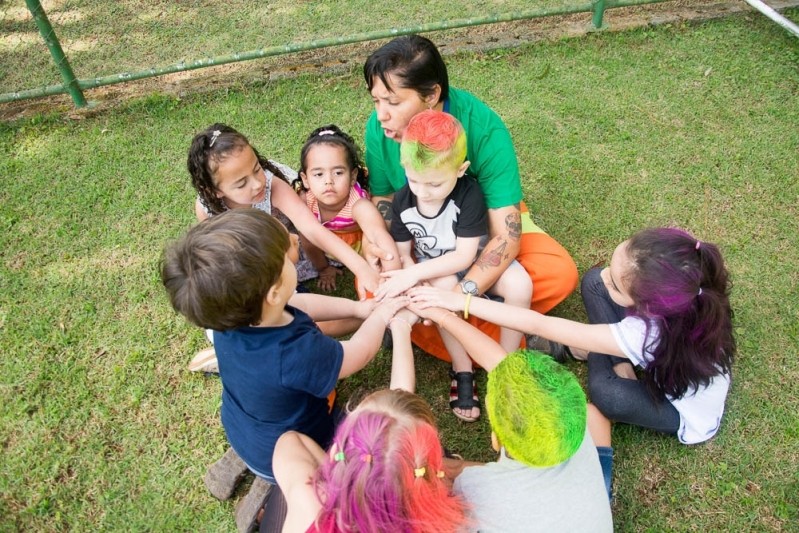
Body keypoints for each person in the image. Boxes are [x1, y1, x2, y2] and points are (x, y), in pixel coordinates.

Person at [160, 209, 407, 532]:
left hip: (241, 425)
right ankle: (266, 494)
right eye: (285, 252)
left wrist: (358, 309)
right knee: (338, 431)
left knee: (261, 441)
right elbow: (355, 355)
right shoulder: (294, 353)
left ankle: (246, 464)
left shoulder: (230, 318)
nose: (294, 239)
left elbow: (300, 306)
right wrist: (383, 313)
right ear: (274, 292)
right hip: (294, 440)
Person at [409, 227, 736, 447]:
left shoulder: (646, 334)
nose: (607, 274)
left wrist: (462, 301)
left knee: (608, 394)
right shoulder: (693, 288)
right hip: (654, 349)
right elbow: (603, 282)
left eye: (618, 285)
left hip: (677, 410)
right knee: (593, 282)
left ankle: (607, 358)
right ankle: (612, 356)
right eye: (615, 264)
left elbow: (539, 325)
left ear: (648, 306)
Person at [361, 34, 579, 362]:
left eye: (392, 103)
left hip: (481, 235)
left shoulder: (484, 128)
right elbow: (385, 198)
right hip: (421, 246)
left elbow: (506, 234)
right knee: (370, 286)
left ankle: (429, 326)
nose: (381, 116)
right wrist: (386, 250)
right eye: (376, 102)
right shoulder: (379, 130)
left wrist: (460, 296)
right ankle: (514, 334)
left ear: (432, 94)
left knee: (558, 272)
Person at [375, 110, 531, 422]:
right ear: (405, 168)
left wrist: (412, 273)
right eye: (414, 180)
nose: (423, 192)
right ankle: (462, 369)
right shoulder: (404, 200)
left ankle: (507, 365)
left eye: (434, 183)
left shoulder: (469, 193)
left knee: (520, 284)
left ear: (461, 170)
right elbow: (404, 252)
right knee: (443, 287)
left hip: (476, 261)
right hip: (437, 270)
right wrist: (408, 273)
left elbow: (464, 257)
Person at [412, 299, 613, 531]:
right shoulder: (577, 434)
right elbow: (501, 364)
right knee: (594, 416)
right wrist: (444, 316)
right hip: (582, 520)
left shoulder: (475, 486)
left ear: (495, 441)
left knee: (444, 478)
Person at [272, 312, 468, 533]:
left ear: (340, 449)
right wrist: (454, 467)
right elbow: (396, 425)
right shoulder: (444, 522)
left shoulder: (311, 504)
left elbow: (290, 441)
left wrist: (339, 472)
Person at [187, 123, 380, 297]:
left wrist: (361, 268)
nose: (257, 183)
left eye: (256, 169)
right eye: (241, 183)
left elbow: (311, 229)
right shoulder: (207, 209)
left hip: (294, 241)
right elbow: (225, 252)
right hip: (261, 250)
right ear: (216, 191)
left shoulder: (273, 184)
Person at [296, 124, 401, 292]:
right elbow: (308, 240)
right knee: (304, 236)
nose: (328, 181)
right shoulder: (305, 201)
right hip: (324, 250)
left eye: (338, 173)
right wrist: (323, 269)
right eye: (318, 174)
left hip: (359, 249)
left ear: (353, 177)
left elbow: (378, 234)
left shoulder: (359, 205)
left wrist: (392, 269)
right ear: (305, 179)